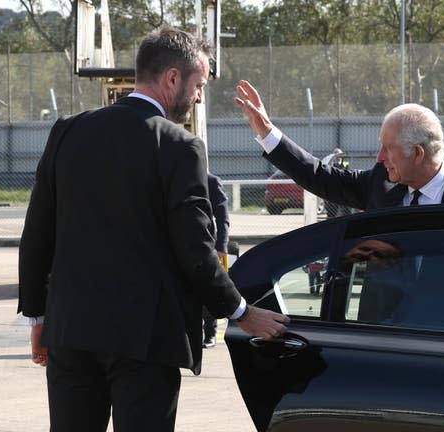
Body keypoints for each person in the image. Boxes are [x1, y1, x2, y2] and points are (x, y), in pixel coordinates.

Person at [17, 30, 289, 432]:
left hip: (71, 333)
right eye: (199, 85)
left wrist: (38, 317)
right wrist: (242, 313)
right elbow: (195, 251)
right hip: (145, 343)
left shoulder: (68, 131)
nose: (199, 97)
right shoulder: (180, 146)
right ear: (173, 79)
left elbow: (37, 232)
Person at [234, 80, 444, 334]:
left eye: (387, 148)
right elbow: (321, 177)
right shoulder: (381, 184)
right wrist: (269, 134)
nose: (380, 157)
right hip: (379, 345)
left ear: (417, 153)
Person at [202, 172, 230, 348]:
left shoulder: (211, 181)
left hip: (207, 245)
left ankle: (210, 333)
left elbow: (223, 217)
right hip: (179, 243)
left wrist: (222, 246)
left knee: (207, 288)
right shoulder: (176, 176)